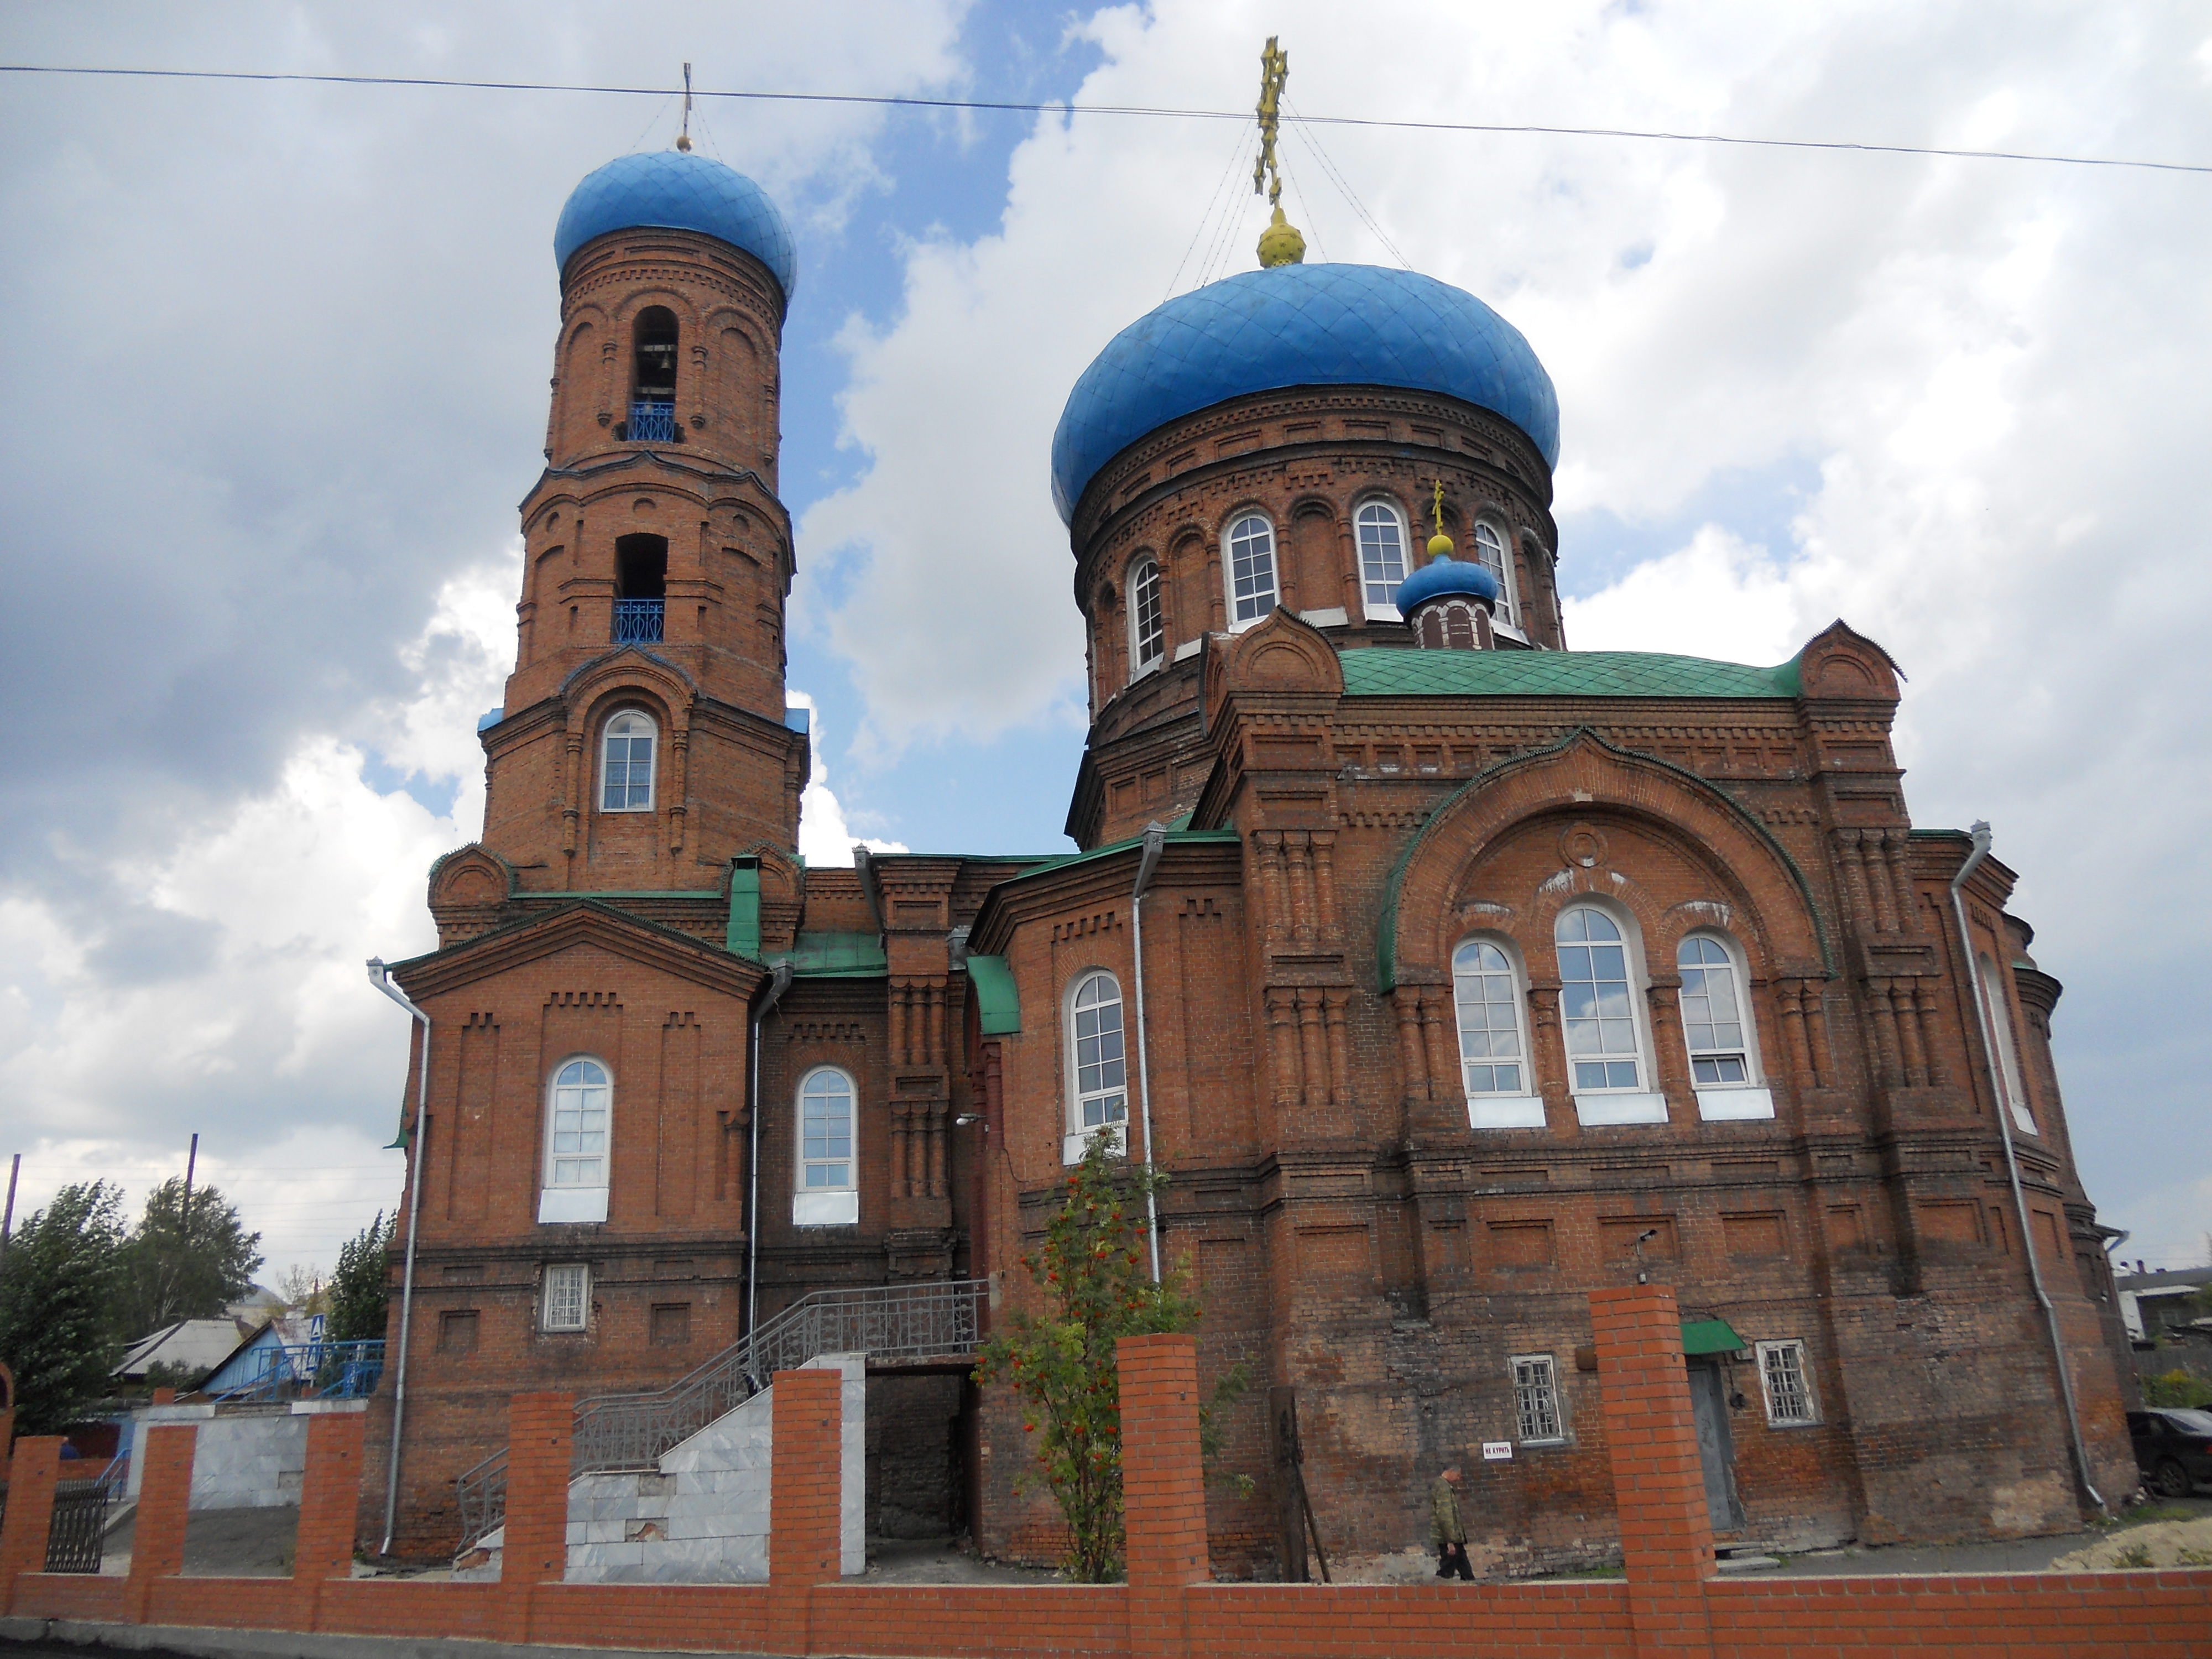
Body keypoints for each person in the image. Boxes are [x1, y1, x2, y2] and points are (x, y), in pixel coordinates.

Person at [1430, 1464, 1473, 1580]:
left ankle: (1471, 1589)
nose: (1458, 1479)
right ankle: (1433, 1590)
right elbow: (1445, 1516)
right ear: (1451, 1471)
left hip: (1453, 1537)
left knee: (1465, 1570)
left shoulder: (1442, 1486)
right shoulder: (1444, 1488)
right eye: (1458, 1475)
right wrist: (1450, 1541)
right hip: (1450, 1538)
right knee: (1447, 1571)